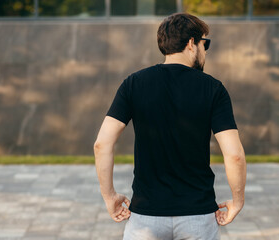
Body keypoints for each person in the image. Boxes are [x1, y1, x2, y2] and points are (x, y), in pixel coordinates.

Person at [93, 12, 247, 240]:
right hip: (198, 215)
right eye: (206, 44)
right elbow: (234, 155)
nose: (206, 51)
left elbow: (102, 144)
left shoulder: (134, 84)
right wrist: (237, 201)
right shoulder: (213, 89)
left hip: (146, 215)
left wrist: (109, 197)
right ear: (191, 44)